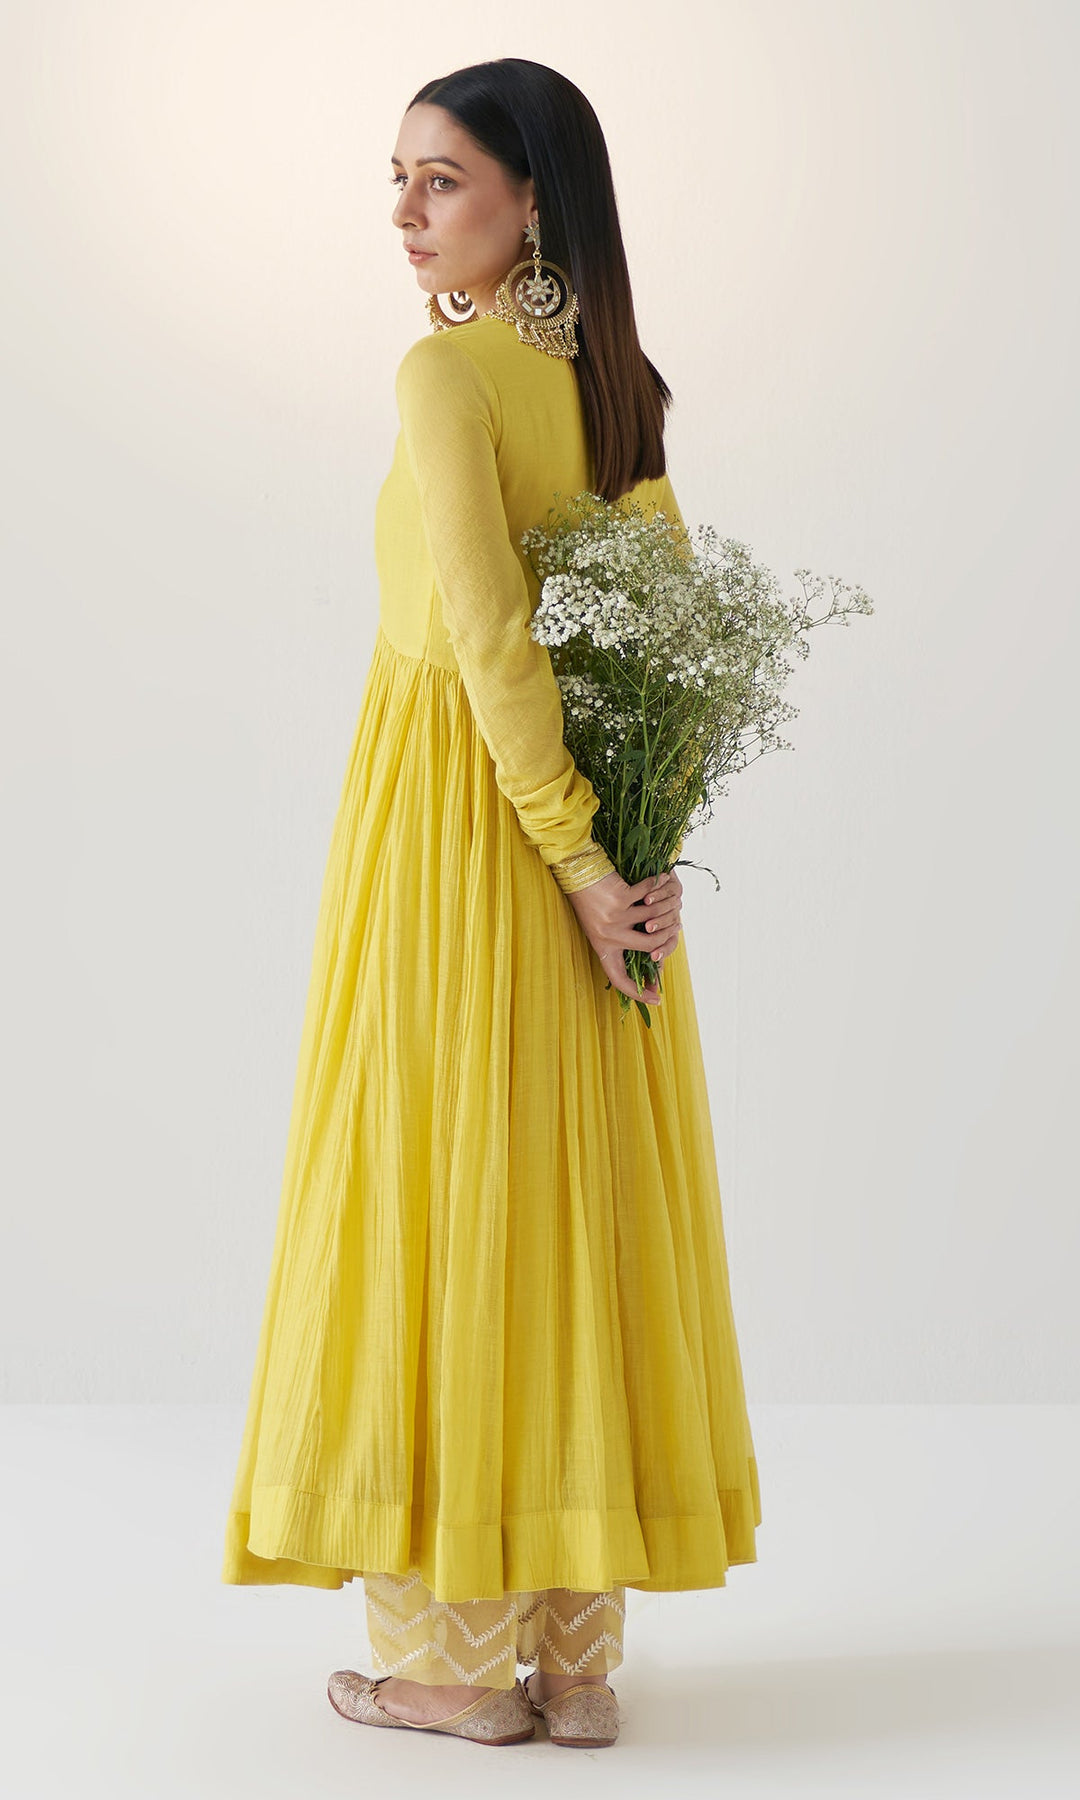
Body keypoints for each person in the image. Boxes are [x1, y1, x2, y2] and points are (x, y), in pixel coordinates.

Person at [221, 57, 761, 1751]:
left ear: (533, 199)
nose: (402, 211)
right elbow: (673, 635)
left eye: (439, 179)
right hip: (595, 834)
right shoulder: (616, 381)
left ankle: (454, 1670)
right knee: (570, 1201)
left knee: (442, 1188)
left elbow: (485, 634)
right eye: (396, 177)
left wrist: (578, 859)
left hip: (467, 829)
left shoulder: (445, 374)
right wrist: (642, 847)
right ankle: (576, 1669)